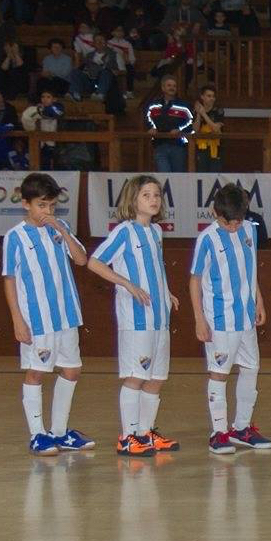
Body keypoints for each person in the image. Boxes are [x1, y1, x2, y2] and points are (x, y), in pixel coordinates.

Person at [88, 175, 178, 458]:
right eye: (146, 195)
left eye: (157, 195)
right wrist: (127, 284)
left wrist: (167, 292)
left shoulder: (156, 232)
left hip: (159, 317)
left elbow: (156, 267)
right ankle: (127, 437)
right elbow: (94, 262)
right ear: (133, 199)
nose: (154, 200)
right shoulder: (124, 231)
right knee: (136, 376)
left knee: (156, 378)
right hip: (136, 319)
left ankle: (145, 433)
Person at [5, 173, 93, 456]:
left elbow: (81, 260)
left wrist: (62, 231)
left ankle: (59, 431)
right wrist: (17, 319)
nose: (48, 211)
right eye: (42, 205)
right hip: (37, 318)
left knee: (72, 370)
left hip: (66, 314)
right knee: (37, 372)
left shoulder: (60, 227)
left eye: (52, 205)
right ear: (26, 204)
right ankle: (37, 434)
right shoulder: (15, 237)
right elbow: (9, 280)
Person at [190, 183, 270, 455]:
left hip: (245, 316)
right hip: (220, 319)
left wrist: (259, 299)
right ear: (215, 213)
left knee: (250, 368)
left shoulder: (249, 230)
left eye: (238, 221)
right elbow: (195, 280)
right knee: (220, 372)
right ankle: (218, 432)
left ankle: (242, 428)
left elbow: (251, 270)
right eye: (228, 223)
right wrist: (199, 318)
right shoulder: (207, 239)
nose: (234, 227)